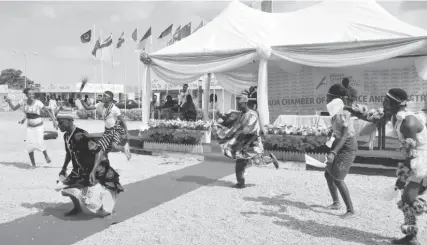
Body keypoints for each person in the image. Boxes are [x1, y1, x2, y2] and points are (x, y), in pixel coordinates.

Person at [56, 111, 124, 217]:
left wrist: (93, 171)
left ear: (69, 121)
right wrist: (63, 168)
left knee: (97, 195)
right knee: (66, 188)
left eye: (61, 123)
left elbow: (99, 152)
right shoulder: (66, 136)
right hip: (80, 169)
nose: (58, 125)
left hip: (95, 168)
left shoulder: (81, 135)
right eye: (58, 122)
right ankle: (77, 209)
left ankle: (106, 206)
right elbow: (69, 154)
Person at [382, 88, 427, 245]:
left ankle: (411, 238)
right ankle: (411, 236)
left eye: (386, 101)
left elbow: (412, 154)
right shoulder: (397, 119)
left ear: (396, 103)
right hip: (416, 160)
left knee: (407, 197)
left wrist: (401, 179)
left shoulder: (408, 122)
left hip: (422, 162)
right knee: (407, 198)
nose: (383, 103)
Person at [217, 94, 274, 188]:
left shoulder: (252, 115)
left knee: (257, 161)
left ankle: (271, 158)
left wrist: (247, 144)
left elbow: (255, 132)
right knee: (241, 163)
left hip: (252, 142)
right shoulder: (241, 114)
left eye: (240, 104)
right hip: (243, 142)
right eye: (237, 104)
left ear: (245, 103)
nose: (238, 106)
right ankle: (240, 183)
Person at [324, 83, 357, 218]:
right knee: (328, 174)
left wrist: (333, 152)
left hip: (347, 146)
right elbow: (337, 133)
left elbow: (344, 136)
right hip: (338, 143)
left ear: (335, 99)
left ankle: (350, 210)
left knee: (338, 177)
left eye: (328, 97)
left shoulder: (344, 113)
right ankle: (336, 202)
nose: (326, 100)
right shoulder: (336, 112)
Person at [5, 88, 58, 167]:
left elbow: (47, 111)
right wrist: (9, 102)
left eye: (33, 94)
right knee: (29, 146)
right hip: (30, 127)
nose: (32, 95)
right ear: (26, 95)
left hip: (39, 126)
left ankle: (46, 156)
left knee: (39, 143)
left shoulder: (38, 103)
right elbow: (14, 108)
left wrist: (54, 121)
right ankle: (33, 164)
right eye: (30, 94)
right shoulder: (23, 101)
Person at [80, 90, 131, 160]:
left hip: (116, 130)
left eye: (105, 96)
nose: (102, 97)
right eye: (103, 95)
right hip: (107, 131)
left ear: (110, 99)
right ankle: (104, 164)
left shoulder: (115, 109)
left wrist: (126, 133)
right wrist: (81, 99)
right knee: (102, 149)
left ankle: (124, 149)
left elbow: (123, 122)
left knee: (114, 146)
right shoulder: (100, 105)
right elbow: (87, 108)